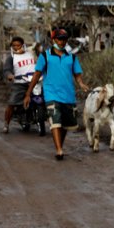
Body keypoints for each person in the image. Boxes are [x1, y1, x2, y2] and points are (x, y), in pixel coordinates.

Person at [24, 28, 89, 160]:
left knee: (65, 125)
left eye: (64, 39)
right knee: (55, 121)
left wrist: (81, 84)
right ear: (54, 40)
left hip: (68, 95)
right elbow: (37, 75)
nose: (62, 41)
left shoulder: (72, 57)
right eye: (59, 39)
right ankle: (59, 150)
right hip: (51, 94)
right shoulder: (45, 56)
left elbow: (77, 74)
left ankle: (60, 145)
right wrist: (28, 94)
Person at [2, 36, 37, 133]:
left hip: (34, 82)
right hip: (19, 83)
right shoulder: (11, 58)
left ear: (23, 45)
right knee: (12, 102)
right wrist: (9, 75)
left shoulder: (31, 54)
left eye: (18, 45)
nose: (17, 47)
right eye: (14, 46)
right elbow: (7, 69)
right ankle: (6, 124)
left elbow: (39, 63)